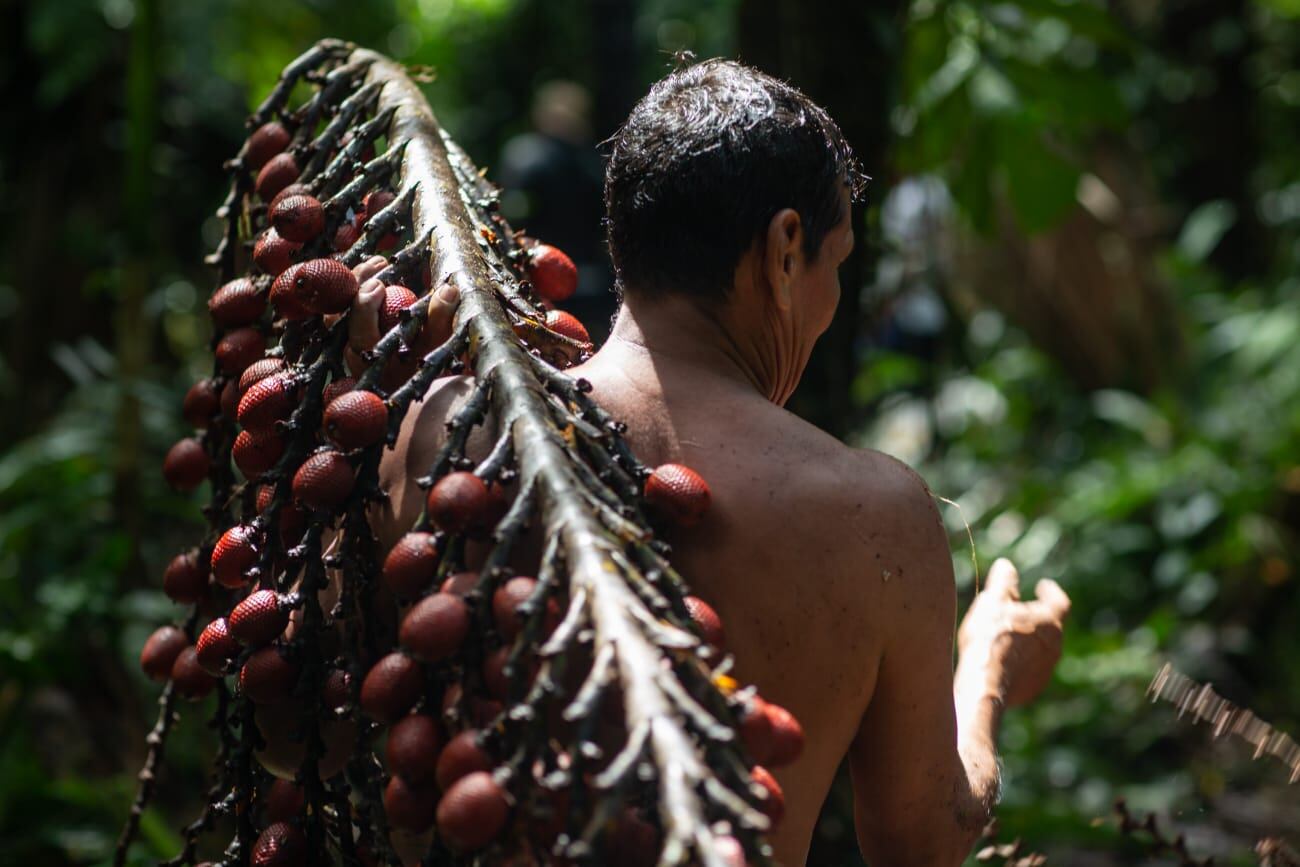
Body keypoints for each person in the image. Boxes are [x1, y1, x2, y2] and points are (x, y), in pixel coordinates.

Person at [348, 59, 1071, 867]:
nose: (832, 300)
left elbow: (304, 729)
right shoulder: (877, 517)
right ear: (786, 249)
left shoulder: (442, 426)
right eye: (837, 260)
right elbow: (923, 844)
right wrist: (989, 668)